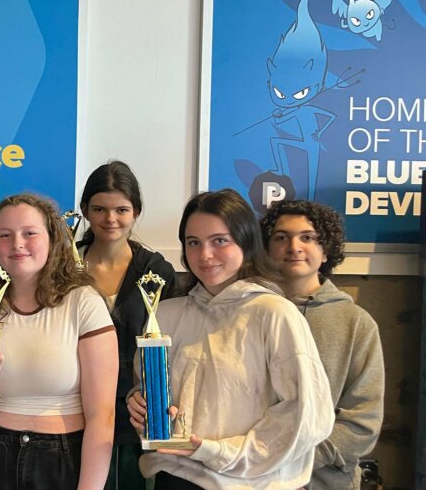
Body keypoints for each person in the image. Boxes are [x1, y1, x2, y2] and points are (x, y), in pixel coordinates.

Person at [127, 189, 334, 489]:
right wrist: (140, 405)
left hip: (252, 482)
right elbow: (149, 388)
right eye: (193, 243)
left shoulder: (275, 314)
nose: (205, 255)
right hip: (175, 477)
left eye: (219, 241)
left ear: (246, 241)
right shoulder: (167, 315)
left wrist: (219, 452)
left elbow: (305, 414)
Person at [0, 193, 118, 490]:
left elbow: (102, 416)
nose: (17, 244)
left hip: (61, 461)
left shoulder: (84, 303)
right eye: (5, 235)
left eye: (30, 233)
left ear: (52, 240)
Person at [261, 200, 384, 489]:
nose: (294, 247)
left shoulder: (356, 323)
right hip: (251, 478)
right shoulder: (250, 313)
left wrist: (298, 460)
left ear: (325, 249)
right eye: (281, 237)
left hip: (326, 481)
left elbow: (363, 420)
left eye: (307, 237)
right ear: (266, 248)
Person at [76, 161, 176, 490]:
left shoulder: (157, 271)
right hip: (74, 410)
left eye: (121, 209)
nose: (111, 219)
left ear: (136, 212)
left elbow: (173, 344)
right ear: (85, 211)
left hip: (136, 417)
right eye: (100, 209)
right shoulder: (64, 267)